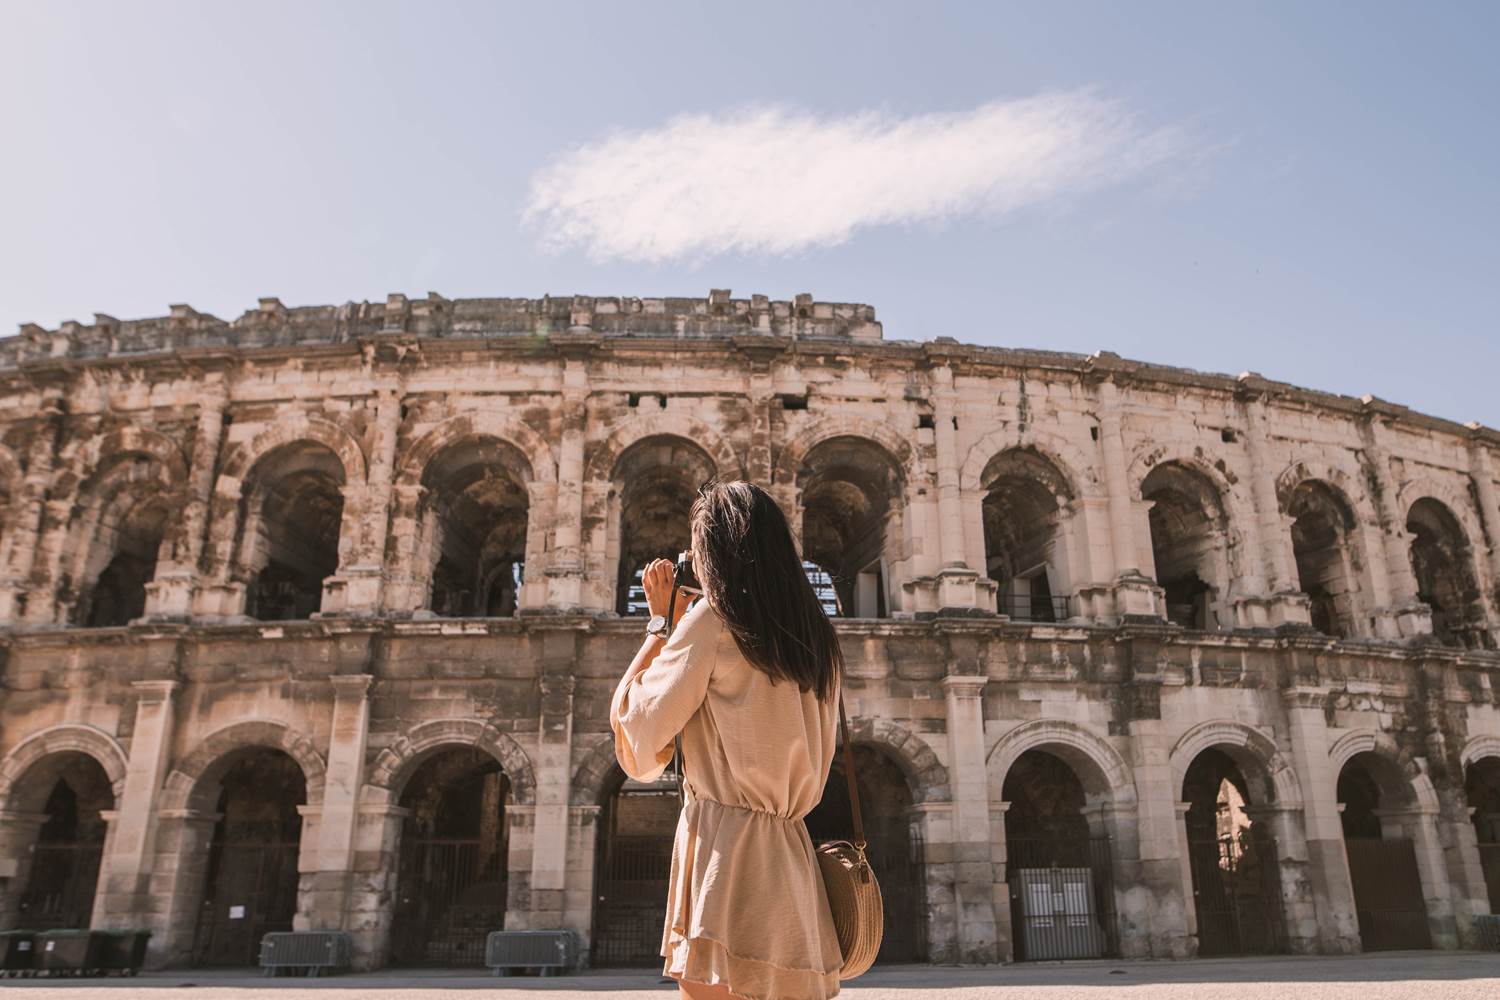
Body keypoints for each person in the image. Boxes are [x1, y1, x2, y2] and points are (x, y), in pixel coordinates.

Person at [610, 480, 847, 1000]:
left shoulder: (713, 623)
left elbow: (637, 729)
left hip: (727, 851)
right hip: (790, 852)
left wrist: (659, 624)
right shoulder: (818, 639)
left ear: (712, 552)